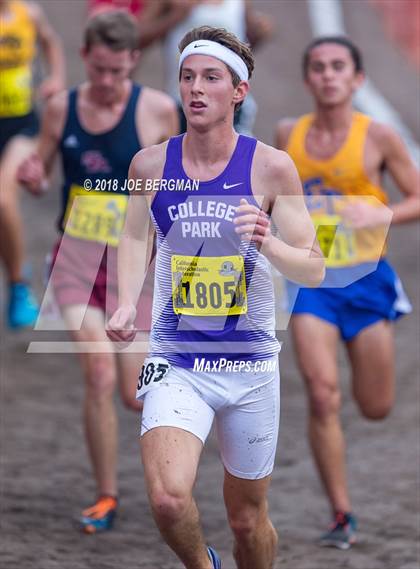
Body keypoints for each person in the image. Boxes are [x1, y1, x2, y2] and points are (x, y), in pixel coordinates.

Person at [108, 25, 324, 568]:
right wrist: (124, 300)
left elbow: (315, 267)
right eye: (187, 77)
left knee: (247, 521)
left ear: (239, 91)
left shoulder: (272, 168)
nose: (196, 89)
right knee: (166, 497)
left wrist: (268, 240)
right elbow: (136, 235)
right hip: (177, 360)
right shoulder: (150, 167)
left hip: (250, 369)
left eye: (211, 78)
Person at [18, 10, 179, 533]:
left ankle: (176, 466)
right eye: (100, 70)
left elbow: (181, 182)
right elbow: (40, 167)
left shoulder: (157, 112)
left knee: (136, 395)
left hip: (136, 265)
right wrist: (33, 175)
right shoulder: (61, 109)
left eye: (119, 71)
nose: (108, 82)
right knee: (98, 373)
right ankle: (106, 496)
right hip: (77, 259)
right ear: (86, 57)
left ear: (134, 61)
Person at [275, 36, 419, 550]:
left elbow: (417, 198)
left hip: (366, 278)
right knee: (321, 393)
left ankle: (343, 502)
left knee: (375, 406)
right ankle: (341, 512)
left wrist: (381, 212)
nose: (328, 76)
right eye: (318, 67)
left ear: (357, 79)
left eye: (338, 67)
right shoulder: (288, 134)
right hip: (313, 282)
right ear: (307, 78)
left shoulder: (378, 137)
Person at [0, 0, 65, 329]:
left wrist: (55, 79)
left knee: (3, 199)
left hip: (21, 125)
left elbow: (50, 41)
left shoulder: (28, 13)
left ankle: (17, 287)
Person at [136, 0, 273, 135]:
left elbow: (244, 46)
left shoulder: (240, 3)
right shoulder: (174, 3)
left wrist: (259, 31)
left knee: (234, 154)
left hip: (230, 104)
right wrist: (175, 16)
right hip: (180, 102)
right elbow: (137, 37)